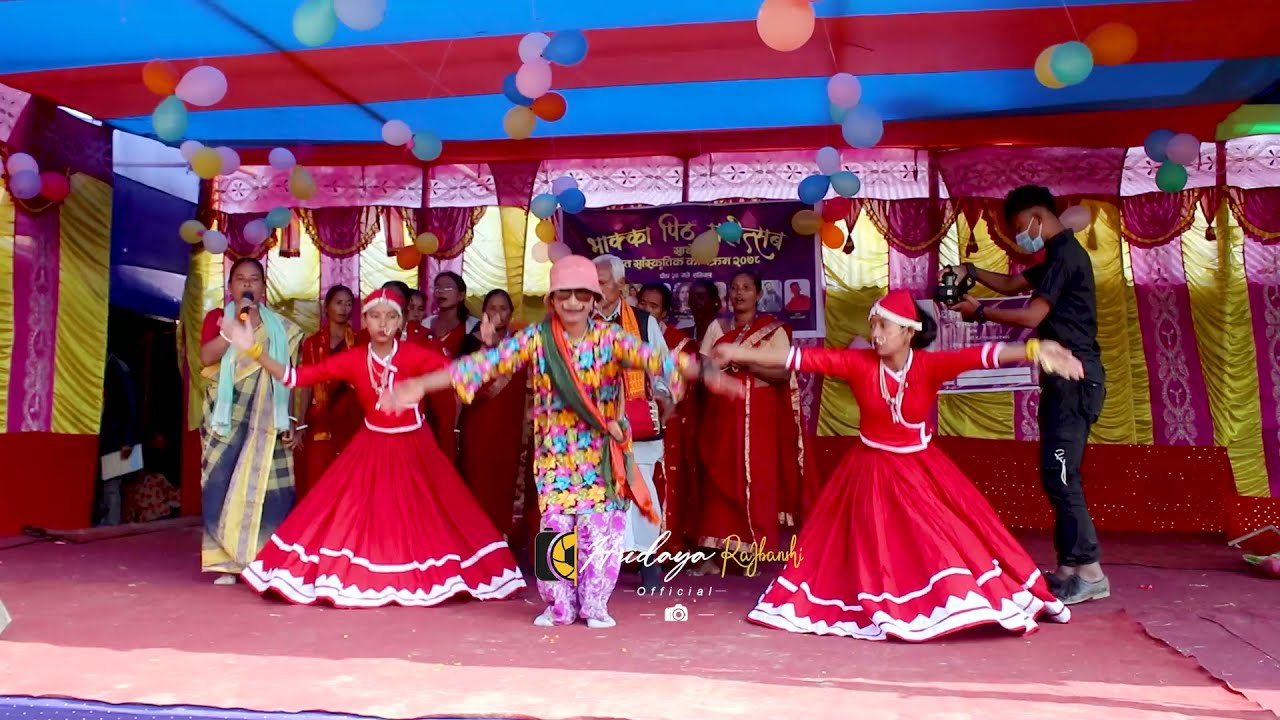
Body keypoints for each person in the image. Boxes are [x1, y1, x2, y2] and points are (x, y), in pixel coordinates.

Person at [385, 255, 742, 629]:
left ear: (593, 300)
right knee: (555, 529)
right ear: (552, 300)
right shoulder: (536, 340)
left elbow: (658, 360)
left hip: (599, 457)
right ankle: (558, 606)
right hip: (554, 456)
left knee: (599, 531)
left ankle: (595, 606)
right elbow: (481, 367)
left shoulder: (610, 338)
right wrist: (421, 385)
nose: (573, 303)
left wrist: (707, 374)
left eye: (581, 296)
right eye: (564, 295)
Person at [720, 289, 1080, 641]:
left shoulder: (929, 365)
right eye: (873, 326)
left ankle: (950, 597)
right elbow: (799, 359)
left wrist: (1035, 348)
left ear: (909, 331)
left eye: (884, 327)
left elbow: (985, 355)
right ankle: (885, 597)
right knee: (870, 545)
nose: (875, 335)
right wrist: (735, 350)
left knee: (942, 535)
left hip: (920, 467)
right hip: (869, 471)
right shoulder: (858, 364)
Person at [225, 288, 526, 608]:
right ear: (365, 320)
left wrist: (487, 346)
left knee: (431, 514)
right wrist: (255, 350)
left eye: (391, 316)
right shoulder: (354, 358)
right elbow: (295, 377)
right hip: (371, 445)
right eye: (375, 315)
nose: (383, 323)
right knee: (359, 514)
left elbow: (459, 374)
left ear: (400, 322)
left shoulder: (413, 354)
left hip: (415, 446)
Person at [942, 184, 1108, 605]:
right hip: (1061, 379)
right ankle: (1069, 567)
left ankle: (1090, 571)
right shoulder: (1055, 256)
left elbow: (1033, 314)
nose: (1021, 237)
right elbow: (1014, 282)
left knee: (1063, 473)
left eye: (1020, 228)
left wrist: (977, 310)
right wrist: (971, 272)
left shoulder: (1066, 256)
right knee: (1056, 473)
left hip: (1074, 378)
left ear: (1037, 217)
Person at [691, 270, 816, 574]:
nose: (739, 294)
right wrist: (720, 375)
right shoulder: (716, 328)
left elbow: (783, 374)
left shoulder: (772, 331)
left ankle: (753, 554)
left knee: (755, 481)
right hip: (721, 413)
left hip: (760, 416)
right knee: (717, 479)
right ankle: (712, 557)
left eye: (747, 288)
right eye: (734, 288)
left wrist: (744, 360)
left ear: (759, 294)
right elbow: (705, 370)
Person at [197, 257, 304, 585]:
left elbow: (293, 378)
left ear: (262, 287)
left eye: (254, 279)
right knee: (222, 483)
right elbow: (205, 358)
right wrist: (232, 332)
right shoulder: (218, 319)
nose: (247, 284)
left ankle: (265, 562)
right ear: (231, 287)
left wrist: (293, 421)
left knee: (270, 489)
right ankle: (226, 562)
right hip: (226, 417)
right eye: (240, 279)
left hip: (270, 421)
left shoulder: (284, 329)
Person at [592, 255, 674, 590]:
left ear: (621, 285)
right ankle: (592, 563)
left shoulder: (641, 322)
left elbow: (664, 368)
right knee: (592, 494)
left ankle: (647, 558)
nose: (595, 289)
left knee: (641, 491)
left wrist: (660, 396)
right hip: (590, 424)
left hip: (634, 424)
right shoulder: (579, 319)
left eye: (602, 282)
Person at [457, 289, 530, 539]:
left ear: (511, 313)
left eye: (503, 309)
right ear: (483, 312)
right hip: (477, 427)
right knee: (477, 483)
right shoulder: (469, 344)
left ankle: (503, 540)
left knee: (505, 483)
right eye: (493, 308)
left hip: (511, 428)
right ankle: (475, 541)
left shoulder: (521, 347)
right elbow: (462, 387)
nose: (498, 314)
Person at [636, 282, 697, 556]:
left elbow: (681, 386)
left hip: (668, 421)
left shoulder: (679, 342)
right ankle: (633, 550)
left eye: (654, 306)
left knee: (666, 481)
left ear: (665, 313)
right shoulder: (625, 334)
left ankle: (664, 549)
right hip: (634, 423)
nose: (647, 310)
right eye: (643, 304)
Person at [295, 285, 358, 501]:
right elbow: (306, 385)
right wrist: (301, 422)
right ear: (327, 307)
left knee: (348, 480)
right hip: (319, 418)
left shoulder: (359, 343)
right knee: (318, 479)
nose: (344, 309)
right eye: (339, 303)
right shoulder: (312, 343)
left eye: (349, 304)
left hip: (351, 418)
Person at [96, 351, 140, 527]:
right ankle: (106, 520)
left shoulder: (118, 369)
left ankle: (113, 524)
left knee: (112, 485)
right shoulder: (104, 367)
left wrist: (128, 440)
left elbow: (132, 406)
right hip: (106, 436)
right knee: (104, 484)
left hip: (118, 437)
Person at [424, 271, 479, 357]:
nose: (441, 291)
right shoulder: (425, 324)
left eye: (448, 288)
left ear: (461, 295)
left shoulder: (473, 326)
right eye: (437, 288)